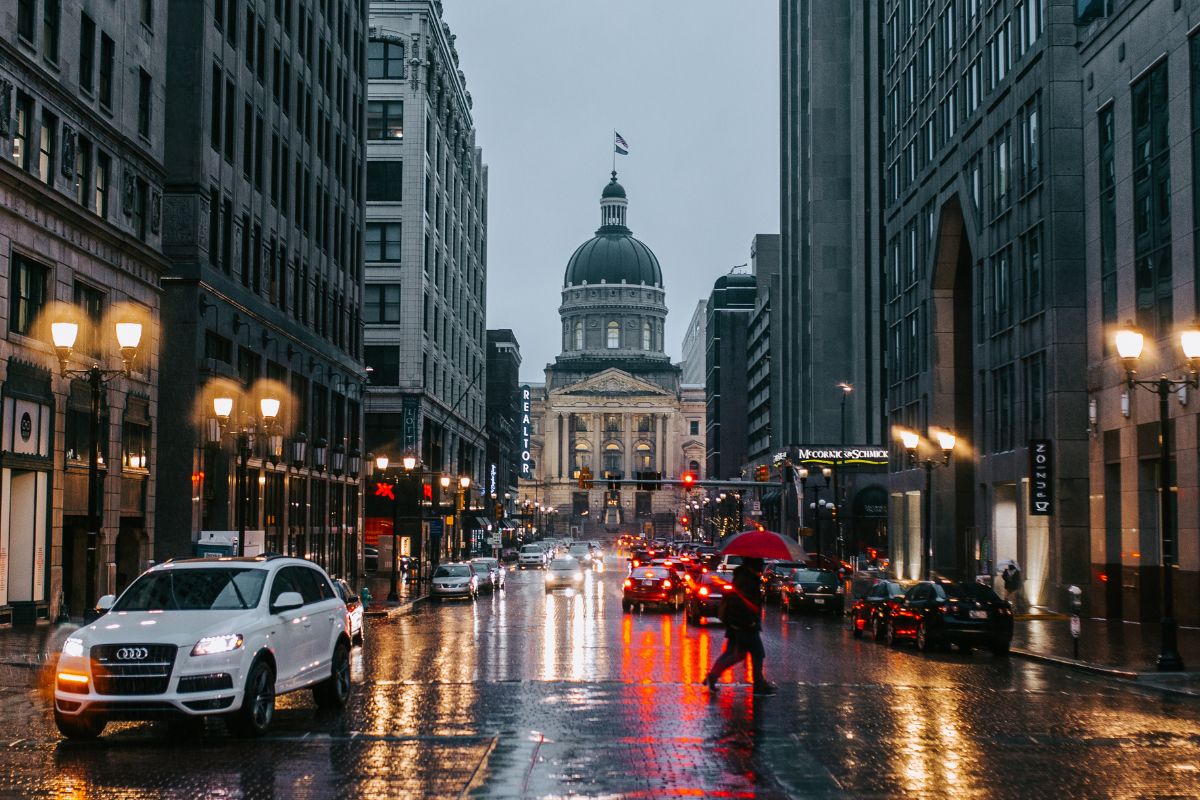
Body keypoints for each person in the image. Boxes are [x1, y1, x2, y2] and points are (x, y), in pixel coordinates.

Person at [703, 557, 777, 695]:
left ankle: (713, 675)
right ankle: (759, 685)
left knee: (734, 653)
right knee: (757, 653)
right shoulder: (747, 580)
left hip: (737, 624)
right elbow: (742, 603)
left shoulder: (742, 576)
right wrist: (749, 622)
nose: (762, 569)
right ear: (754, 566)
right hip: (745, 624)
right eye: (760, 566)